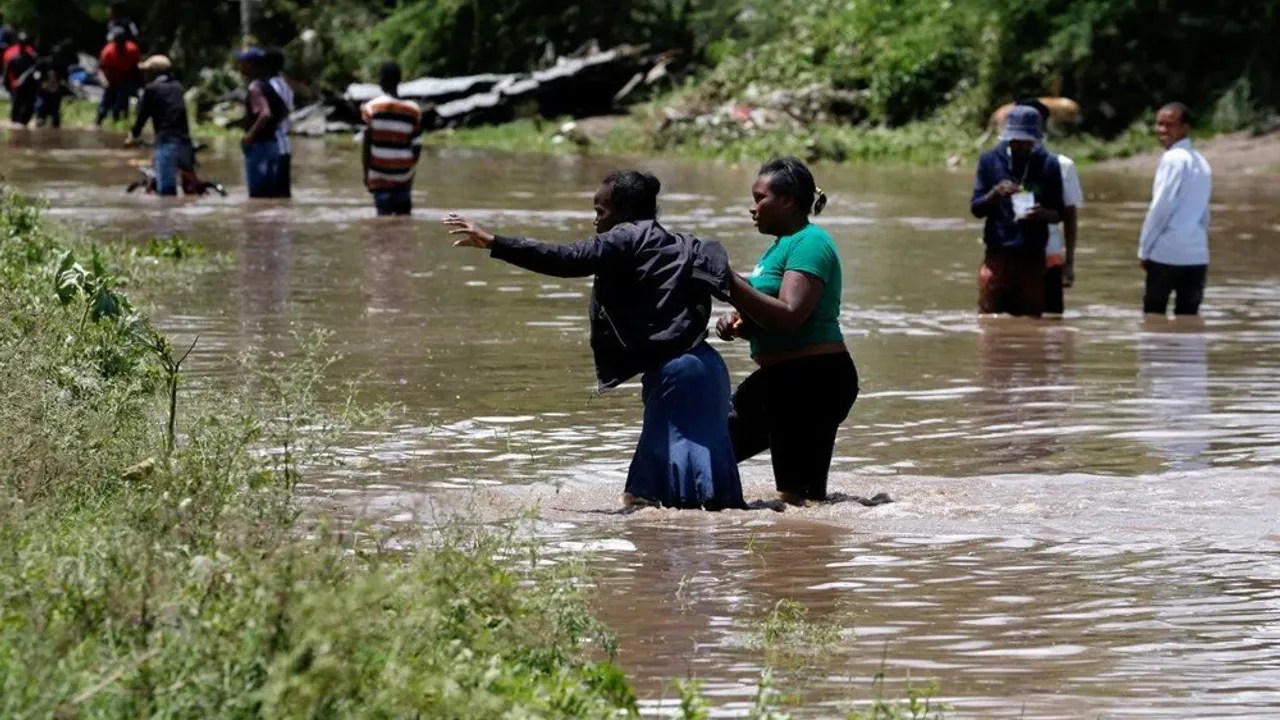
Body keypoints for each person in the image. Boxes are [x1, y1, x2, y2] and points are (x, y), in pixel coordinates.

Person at [442, 171, 746, 511]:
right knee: (709, 500)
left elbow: (566, 258)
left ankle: (675, 557)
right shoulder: (686, 244)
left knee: (650, 502)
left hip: (676, 376)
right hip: (709, 370)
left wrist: (494, 243)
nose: (595, 221)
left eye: (601, 212)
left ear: (625, 211)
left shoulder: (626, 237)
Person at [715, 157, 859, 506]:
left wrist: (730, 281)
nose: (753, 208)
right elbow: (776, 319)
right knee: (711, 452)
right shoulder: (778, 247)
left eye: (760, 198)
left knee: (800, 502)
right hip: (782, 380)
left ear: (788, 200)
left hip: (813, 381)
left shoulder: (810, 242)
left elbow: (791, 315)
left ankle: (805, 556)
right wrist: (739, 323)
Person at [969, 105, 1065, 317]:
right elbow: (976, 209)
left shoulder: (1049, 164)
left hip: (1032, 259)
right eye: (1016, 140)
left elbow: (1059, 213)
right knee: (989, 322)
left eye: (1027, 142)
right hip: (997, 255)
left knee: (1030, 324)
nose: (1022, 145)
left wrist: (1043, 214)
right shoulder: (989, 161)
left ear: (1036, 139)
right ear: (1007, 137)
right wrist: (994, 194)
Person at [1138, 102, 1213, 316]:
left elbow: (1161, 207)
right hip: (1197, 256)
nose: (1162, 130)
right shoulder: (1202, 162)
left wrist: (1144, 248)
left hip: (1166, 253)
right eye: (1159, 124)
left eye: (1169, 125)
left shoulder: (1172, 159)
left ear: (1185, 128)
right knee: (1189, 321)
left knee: (1153, 319)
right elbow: (1205, 213)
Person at [1017, 98, 1083, 316]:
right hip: (1011, 255)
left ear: (1042, 125)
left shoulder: (1062, 165)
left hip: (1049, 255)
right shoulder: (1001, 163)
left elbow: (1070, 215)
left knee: (1051, 323)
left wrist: (1070, 264)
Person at [360, 61, 423, 215]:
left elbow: (366, 145)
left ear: (381, 82)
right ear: (399, 81)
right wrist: (408, 171)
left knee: (383, 226)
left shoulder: (371, 109)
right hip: (403, 177)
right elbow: (416, 148)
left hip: (379, 176)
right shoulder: (413, 110)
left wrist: (366, 174)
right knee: (404, 224)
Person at [125, 55, 192, 197]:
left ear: (153, 73)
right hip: (185, 142)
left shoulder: (151, 89)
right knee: (190, 189)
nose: (144, 75)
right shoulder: (178, 87)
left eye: (147, 72)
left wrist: (132, 136)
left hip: (167, 143)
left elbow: (142, 117)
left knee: (167, 194)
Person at [235, 47, 289, 198]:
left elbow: (265, 114)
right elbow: (284, 111)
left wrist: (250, 136)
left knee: (257, 195)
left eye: (242, 62)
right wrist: (271, 128)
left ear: (251, 65)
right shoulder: (267, 85)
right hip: (273, 145)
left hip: (259, 147)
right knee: (270, 196)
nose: (239, 66)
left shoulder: (255, 87)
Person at [96, 28, 140, 125]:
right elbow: (100, 69)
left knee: (120, 104)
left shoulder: (132, 49)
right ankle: (98, 123)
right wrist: (104, 81)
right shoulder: (108, 51)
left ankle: (119, 122)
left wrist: (137, 82)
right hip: (111, 80)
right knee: (103, 107)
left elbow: (136, 66)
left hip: (126, 79)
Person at [265, 47, 293, 198]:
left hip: (276, 144)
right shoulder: (285, 85)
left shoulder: (272, 86)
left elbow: (277, 113)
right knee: (283, 194)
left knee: (274, 194)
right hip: (285, 144)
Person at [2, 32, 37, 126]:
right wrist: (8, 85)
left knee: (29, 106)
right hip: (15, 85)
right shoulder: (12, 56)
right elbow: (7, 72)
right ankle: (15, 124)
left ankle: (24, 123)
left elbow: (34, 69)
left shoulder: (31, 56)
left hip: (28, 86)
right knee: (16, 106)